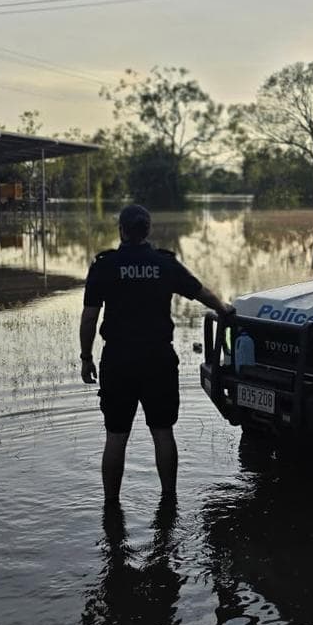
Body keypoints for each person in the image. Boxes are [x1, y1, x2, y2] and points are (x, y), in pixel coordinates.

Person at [79, 204, 234, 503]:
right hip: (158, 360)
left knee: (115, 436)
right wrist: (224, 309)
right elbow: (202, 292)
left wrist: (86, 358)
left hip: (119, 361)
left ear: (121, 230)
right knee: (163, 432)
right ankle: (169, 499)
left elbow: (89, 318)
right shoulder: (164, 264)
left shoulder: (104, 266)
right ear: (148, 230)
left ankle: (111, 505)